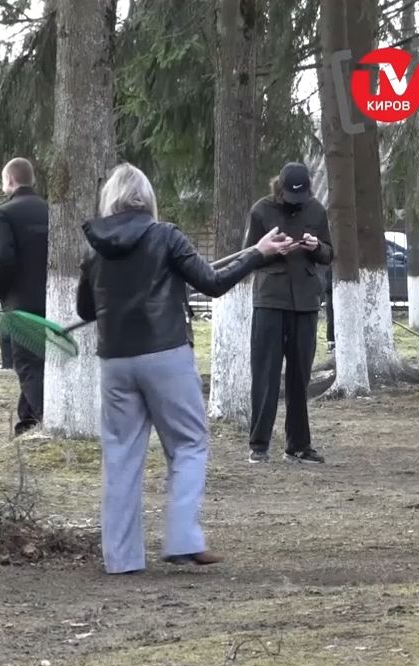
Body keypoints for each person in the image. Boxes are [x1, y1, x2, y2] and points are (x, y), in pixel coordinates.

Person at [77, 163, 290, 574]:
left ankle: (120, 559)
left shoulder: (95, 248)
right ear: (147, 199)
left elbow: (86, 310)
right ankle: (182, 540)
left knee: (120, 455)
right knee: (189, 443)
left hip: (115, 361)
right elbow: (211, 282)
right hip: (165, 352)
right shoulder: (165, 236)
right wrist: (258, 255)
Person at [244, 162, 334, 465]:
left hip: (306, 302)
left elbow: (328, 254)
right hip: (270, 300)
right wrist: (270, 251)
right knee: (266, 373)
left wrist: (315, 245)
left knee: (300, 375)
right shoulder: (261, 210)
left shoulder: (317, 211)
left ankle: (298, 444)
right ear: (279, 188)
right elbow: (250, 256)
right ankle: (259, 444)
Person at [0, 157, 49, 435]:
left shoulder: (5, 214)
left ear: (10, 180)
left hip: (20, 302)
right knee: (41, 361)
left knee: (27, 365)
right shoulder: (50, 210)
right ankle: (26, 423)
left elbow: (4, 257)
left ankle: (46, 420)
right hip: (52, 299)